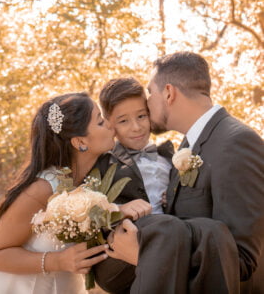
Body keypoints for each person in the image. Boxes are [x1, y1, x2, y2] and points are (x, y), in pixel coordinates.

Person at [105, 52, 264, 293]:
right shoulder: (187, 146)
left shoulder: (236, 143)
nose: (146, 103)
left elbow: (240, 261)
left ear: (169, 93)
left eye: (151, 92)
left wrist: (146, 257)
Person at [0, 93, 115, 294]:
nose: (111, 126)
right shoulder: (43, 188)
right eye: (100, 122)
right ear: (80, 142)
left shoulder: (93, 180)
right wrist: (59, 261)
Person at [93, 77, 174, 292]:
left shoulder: (169, 157)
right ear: (109, 123)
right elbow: (88, 212)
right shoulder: (102, 164)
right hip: (125, 259)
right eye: (123, 121)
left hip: (172, 246)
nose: (136, 127)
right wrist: (118, 211)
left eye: (141, 116)